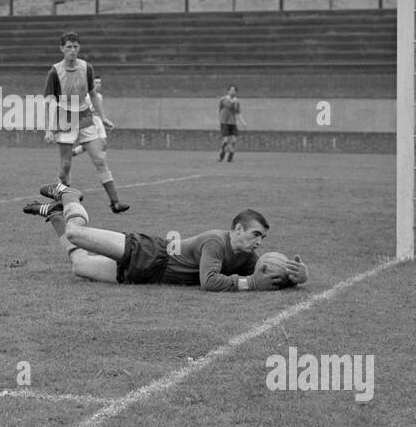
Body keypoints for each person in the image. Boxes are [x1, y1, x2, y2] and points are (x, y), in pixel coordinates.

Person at [23, 182, 307, 291]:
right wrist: (251, 284)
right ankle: (69, 195)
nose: (259, 242)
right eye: (256, 234)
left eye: (263, 238)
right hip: (147, 252)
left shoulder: (247, 258)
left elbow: (266, 275)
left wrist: (297, 277)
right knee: (76, 232)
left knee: (79, 266)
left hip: (148, 275)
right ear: (238, 230)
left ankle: (55, 215)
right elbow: (209, 282)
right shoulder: (216, 241)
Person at [44, 32, 128, 213]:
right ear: (62, 49)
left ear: (79, 48)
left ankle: (115, 202)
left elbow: (93, 94)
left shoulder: (86, 68)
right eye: (68, 47)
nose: (72, 51)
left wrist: (103, 117)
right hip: (65, 119)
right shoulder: (55, 71)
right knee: (66, 166)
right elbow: (50, 101)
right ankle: (61, 198)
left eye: (75, 47)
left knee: (99, 159)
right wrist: (49, 129)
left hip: (85, 118)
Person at [72, 75, 115, 156]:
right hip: (90, 120)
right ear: (91, 84)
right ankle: (72, 153)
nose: (98, 84)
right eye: (96, 82)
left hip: (98, 120)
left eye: (100, 83)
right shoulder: (86, 96)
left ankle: (73, 153)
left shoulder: (99, 96)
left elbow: (99, 110)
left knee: (102, 143)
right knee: (94, 143)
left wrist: (104, 120)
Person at [218, 85, 245, 162]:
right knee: (225, 141)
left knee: (233, 141)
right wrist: (220, 119)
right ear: (228, 91)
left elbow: (238, 113)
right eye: (231, 90)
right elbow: (219, 109)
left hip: (233, 123)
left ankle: (230, 158)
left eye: (234, 90)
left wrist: (243, 122)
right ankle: (221, 155)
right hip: (224, 122)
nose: (232, 92)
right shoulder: (223, 99)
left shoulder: (237, 102)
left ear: (236, 92)